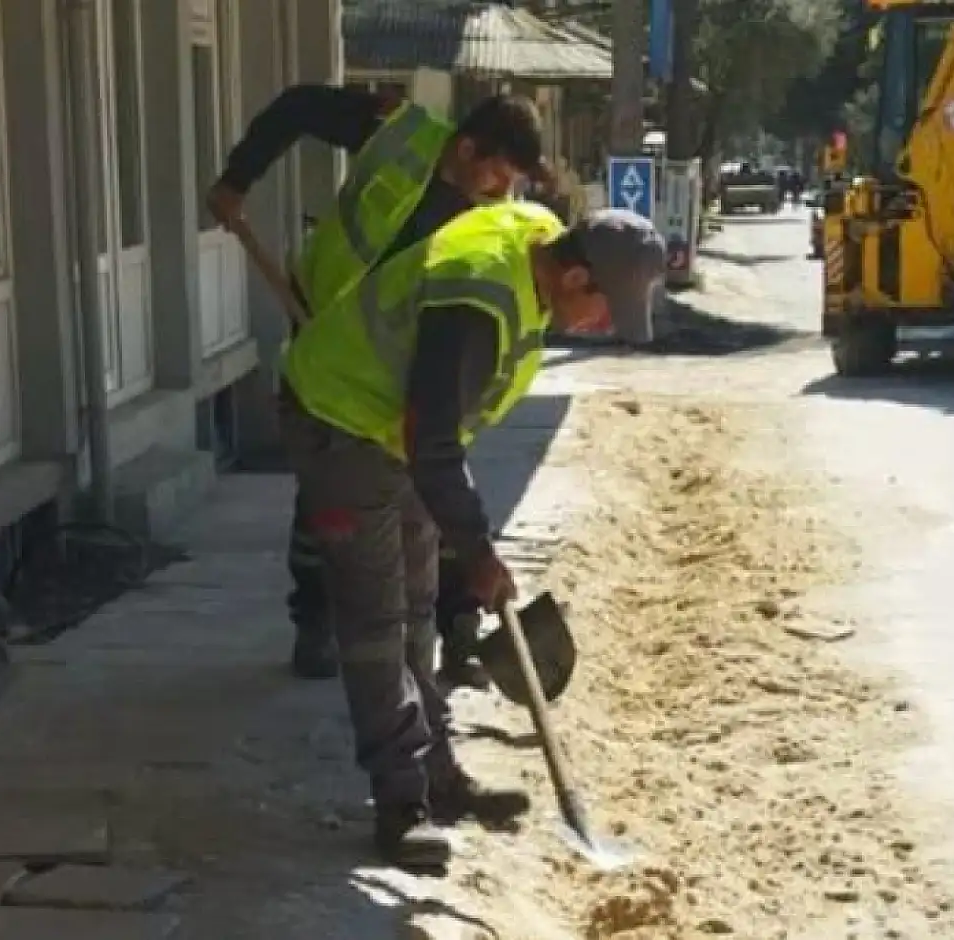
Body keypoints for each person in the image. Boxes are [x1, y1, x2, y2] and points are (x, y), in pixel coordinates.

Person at [279, 199, 666, 868]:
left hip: (392, 430)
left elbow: (431, 434)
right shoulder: (479, 298)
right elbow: (429, 439)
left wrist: (469, 543)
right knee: (376, 624)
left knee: (420, 612)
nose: (602, 324)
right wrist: (479, 548)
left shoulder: (538, 237)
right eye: (606, 308)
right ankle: (400, 806)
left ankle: (436, 774)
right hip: (337, 419)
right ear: (576, 278)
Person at [207, 85, 548, 688]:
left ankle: (456, 628)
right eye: (497, 175)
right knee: (327, 486)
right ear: (465, 147)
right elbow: (297, 107)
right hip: (328, 328)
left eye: (514, 184)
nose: (503, 194)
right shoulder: (398, 131)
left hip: (407, 359)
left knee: (434, 479)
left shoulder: (492, 218)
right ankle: (314, 621)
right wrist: (238, 179)